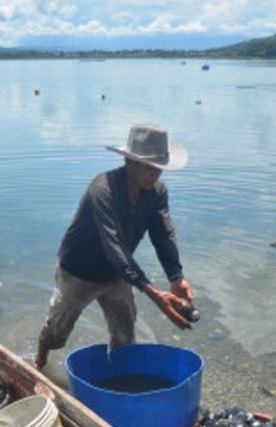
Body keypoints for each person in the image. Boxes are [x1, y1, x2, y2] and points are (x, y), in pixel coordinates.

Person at [35, 123, 195, 369]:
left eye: (159, 169)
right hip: (79, 272)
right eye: (149, 168)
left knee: (125, 336)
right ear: (130, 163)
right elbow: (114, 246)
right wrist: (153, 293)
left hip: (118, 274)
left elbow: (163, 234)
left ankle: (120, 380)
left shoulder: (156, 192)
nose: (155, 175)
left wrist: (176, 277)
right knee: (57, 334)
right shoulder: (103, 189)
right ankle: (39, 361)